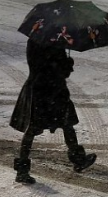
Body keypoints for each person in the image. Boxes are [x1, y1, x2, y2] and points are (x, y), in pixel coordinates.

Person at [9, 39, 96, 184]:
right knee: (35, 129)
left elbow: (54, 69)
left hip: (48, 90)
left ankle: (78, 159)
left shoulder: (38, 41)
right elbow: (52, 69)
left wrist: (65, 64)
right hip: (46, 92)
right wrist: (66, 64)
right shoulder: (49, 43)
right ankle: (22, 170)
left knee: (66, 125)